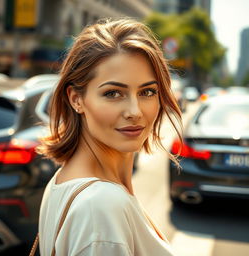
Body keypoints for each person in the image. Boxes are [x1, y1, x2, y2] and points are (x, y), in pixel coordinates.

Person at [37, 18, 182, 256]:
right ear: (76, 99)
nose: (135, 111)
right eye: (113, 93)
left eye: (147, 92)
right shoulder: (101, 206)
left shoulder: (66, 179)